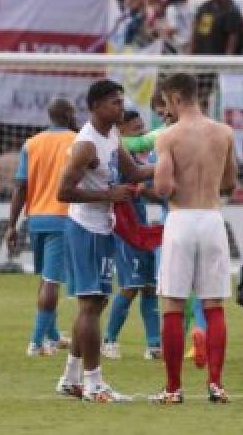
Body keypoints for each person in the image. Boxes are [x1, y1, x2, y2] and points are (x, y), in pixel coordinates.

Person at [53, 80, 152, 402]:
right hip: (86, 230)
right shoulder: (86, 144)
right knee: (91, 306)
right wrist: (108, 195)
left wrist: (172, 167)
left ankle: (71, 378)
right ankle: (94, 384)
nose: (120, 108)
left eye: (121, 102)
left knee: (94, 304)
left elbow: (134, 173)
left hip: (103, 227)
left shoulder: (112, 135)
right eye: (114, 103)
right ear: (95, 106)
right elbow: (63, 192)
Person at [149, 73, 235, 403]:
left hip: (181, 218)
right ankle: (216, 383)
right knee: (213, 304)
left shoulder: (169, 136)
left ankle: (173, 389)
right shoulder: (224, 132)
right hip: (212, 218)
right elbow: (229, 182)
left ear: (174, 98)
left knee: (172, 302)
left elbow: (162, 188)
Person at [6, 98, 79, 357]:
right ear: (70, 114)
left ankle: (52, 336)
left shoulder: (32, 143)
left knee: (47, 277)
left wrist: (11, 225)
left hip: (36, 218)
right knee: (52, 281)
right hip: (64, 217)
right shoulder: (77, 141)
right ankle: (36, 343)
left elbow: (20, 186)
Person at [102, 110, 161, 362]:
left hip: (141, 227)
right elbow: (134, 188)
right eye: (136, 128)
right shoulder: (119, 156)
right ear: (122, 130)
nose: (142, 131)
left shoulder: (137, 156)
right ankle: (109, 340)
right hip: (125, 230)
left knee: (149, 287)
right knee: (130, 287)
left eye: (143, 126)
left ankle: (154, 344)